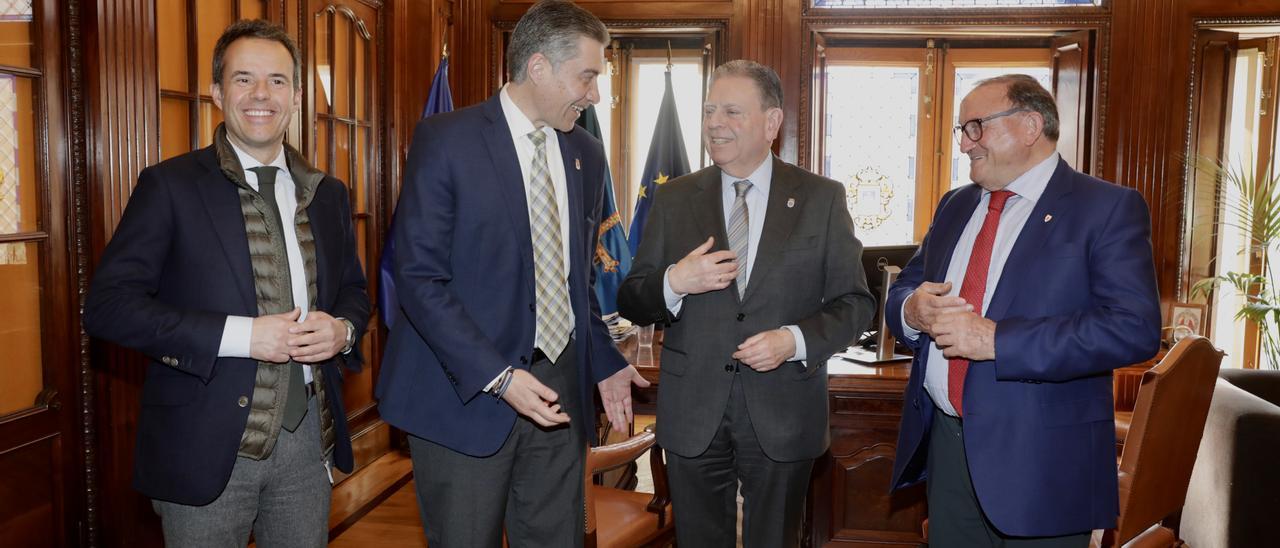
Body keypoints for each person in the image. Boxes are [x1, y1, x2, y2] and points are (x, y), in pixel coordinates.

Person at [83, 19, 369, 548]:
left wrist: (343, 331)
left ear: (297, 96)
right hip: (204, 446)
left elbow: (354, 290)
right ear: (217, 93)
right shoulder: (168, 186)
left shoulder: (328, 193)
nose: (262, 94)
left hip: (308, 442)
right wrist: (241, 336)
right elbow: (108, 307)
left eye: (278, 81)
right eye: (243, 79)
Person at [374, 1, 647, 546]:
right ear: (539, 67)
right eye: (588, 76)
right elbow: (419, 279)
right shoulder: (446, 139)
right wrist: (499, 377)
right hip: (465, 397)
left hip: (559, 396)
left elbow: (576, 284)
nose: (595, 94)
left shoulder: (587, 154)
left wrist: (604, 361)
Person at [887, 74, 1161, 547]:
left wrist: (997, 340)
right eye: (962, 130)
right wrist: (913, 309)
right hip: (948, 448)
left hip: (1042, 462)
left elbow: (1133, 329)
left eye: (975, 127)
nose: (964, 144)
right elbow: (907, 284)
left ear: (1031, 125)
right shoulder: (955, 205)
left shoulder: (1107, 207)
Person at [617, 59, 875, 548]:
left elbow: (855, 303)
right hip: (694, 410)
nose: (715, 122)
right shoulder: (674, 198)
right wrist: (676, 281)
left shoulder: (821, 198)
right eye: (710, 110)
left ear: (772, 123)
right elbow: (632, 298)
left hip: (784, 409)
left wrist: (792, 340)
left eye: (732, 111)